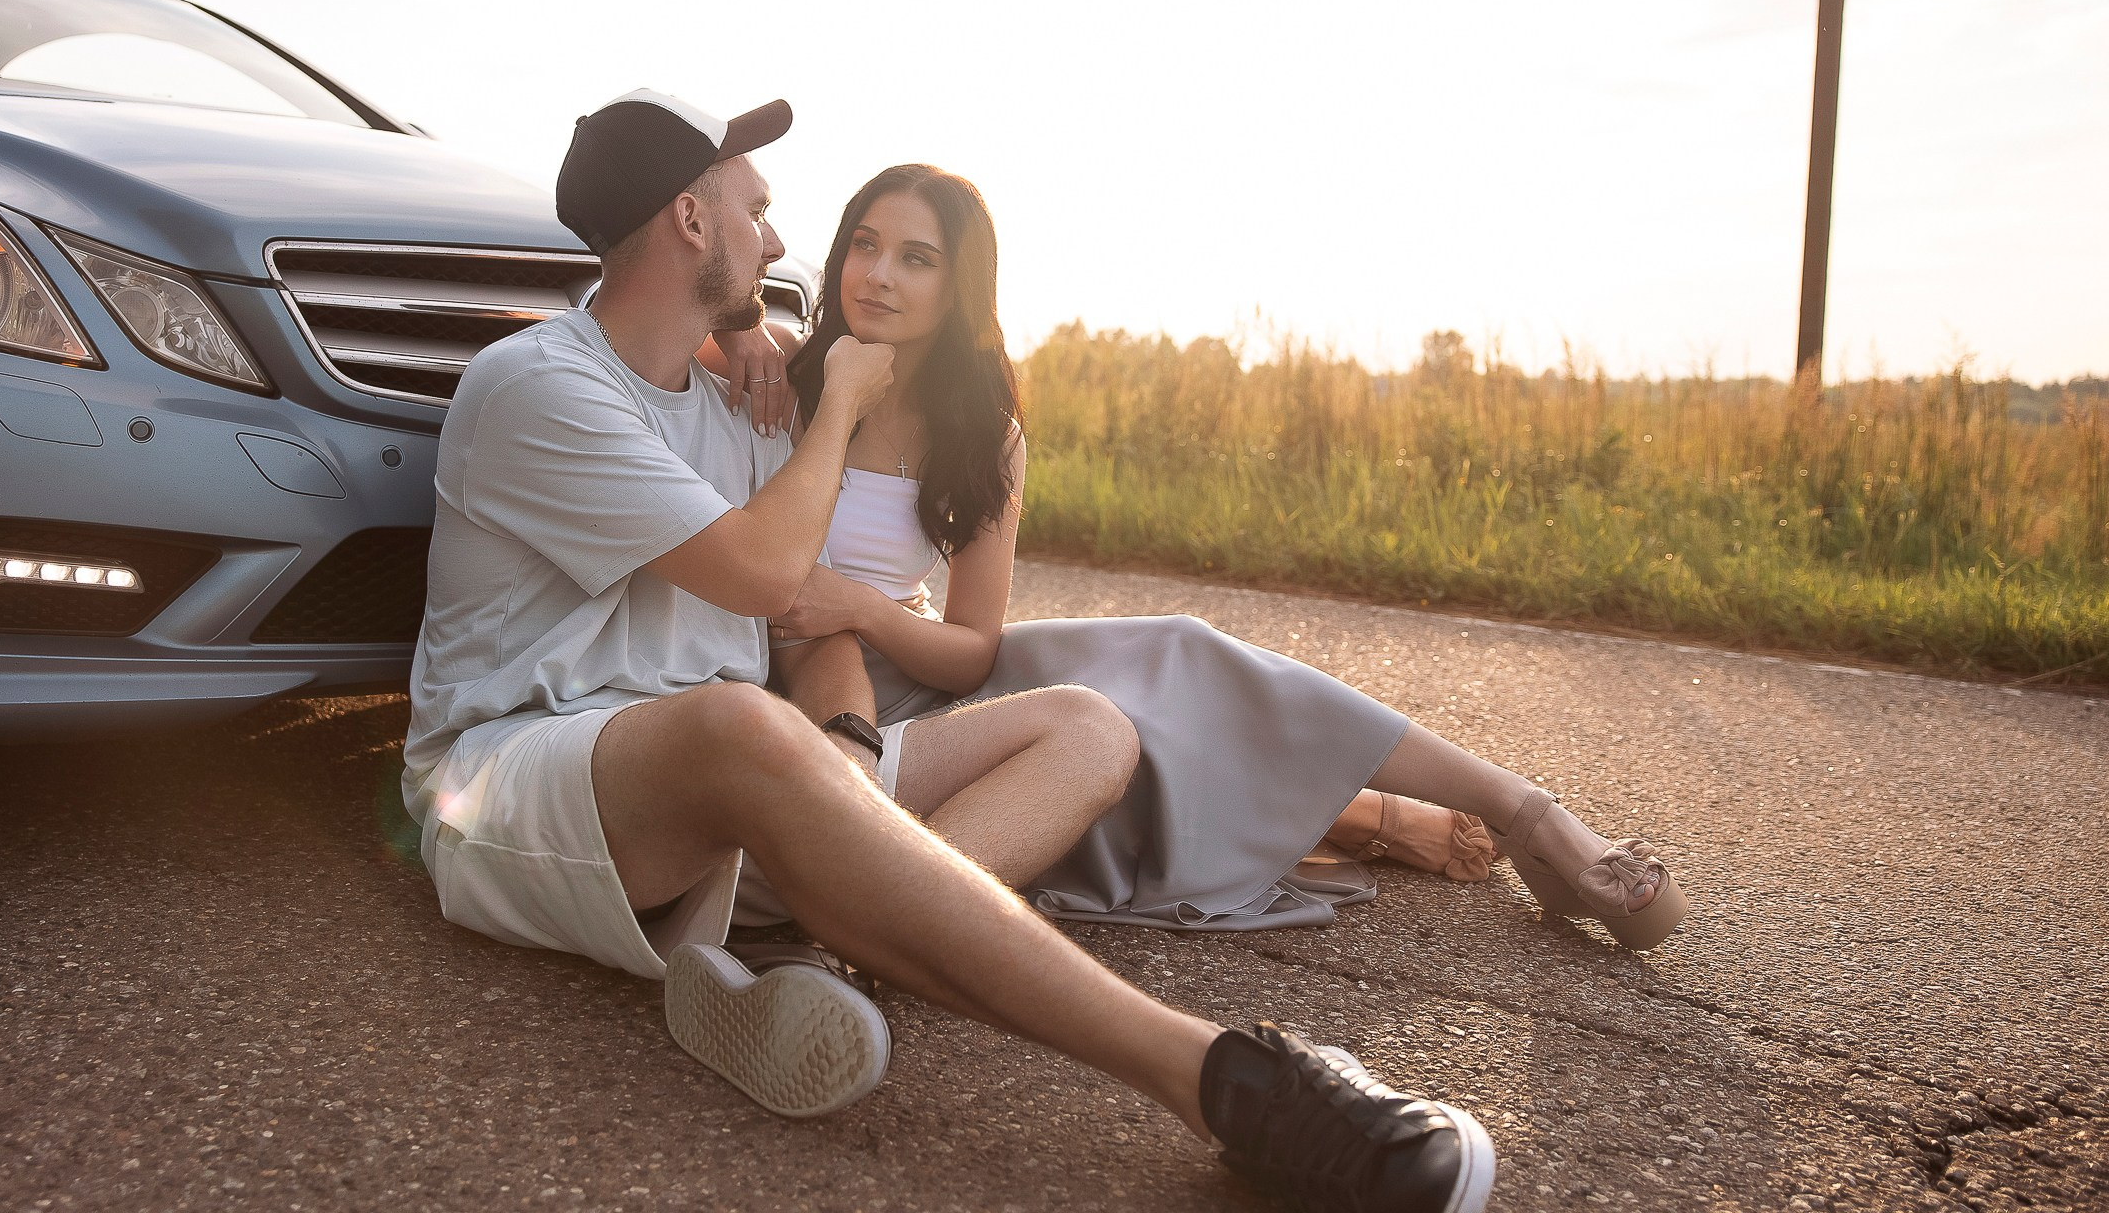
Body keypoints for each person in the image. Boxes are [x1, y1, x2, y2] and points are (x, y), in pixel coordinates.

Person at [405, 90, 1496, 1213]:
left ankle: (826, 957)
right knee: (743, 722)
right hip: (512, 785)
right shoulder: (542, 385)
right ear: (691, 220)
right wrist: (833, 409)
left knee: (1088, 724)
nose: (783, 245)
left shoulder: (731, 402)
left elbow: (817, 615)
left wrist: (758, 352)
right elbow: (774, 578)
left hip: (739, 786)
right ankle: (1230, 1082)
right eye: (757, 211)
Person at [721, 163, 1688, 948]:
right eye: (864, 243)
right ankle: (1372, 816)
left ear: (961, 285)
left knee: (1177, 653)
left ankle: (1529, 814)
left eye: (917, 257)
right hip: (816, 689)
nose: (877, 274)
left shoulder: (985, 435)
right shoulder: (779, 371)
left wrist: (864, 607)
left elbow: (973, 647)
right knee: (1127, 738)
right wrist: (749, 336)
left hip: (902, 654)